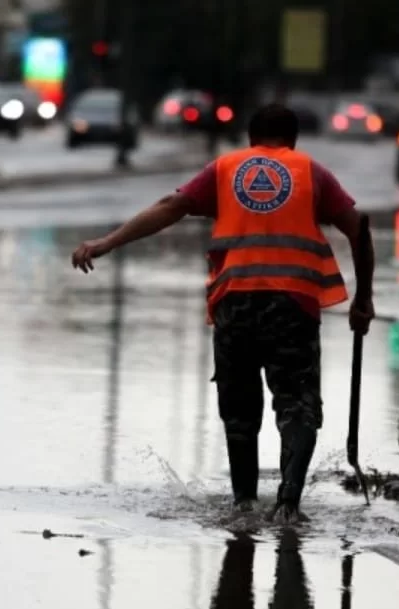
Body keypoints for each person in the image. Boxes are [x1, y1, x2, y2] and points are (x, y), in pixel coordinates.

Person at [71, 104, 374, 524]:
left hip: (235, 302)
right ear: (293, 140)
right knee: (297, 403)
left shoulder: (225, 169)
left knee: (239, 407)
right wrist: (364, 300)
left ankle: (244, 503)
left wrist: (107, 242)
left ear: (250, 139)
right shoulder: (311, 172)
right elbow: (359, 228)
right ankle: (288, 503)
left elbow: (169, 207)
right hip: (293, 303)